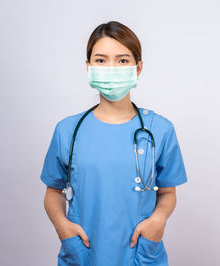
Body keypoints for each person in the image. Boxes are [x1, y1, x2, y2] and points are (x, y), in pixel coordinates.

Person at [40, 21, 188, 266]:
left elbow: (168, 192)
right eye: (100, 60)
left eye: (122, 60)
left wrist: (158, 220)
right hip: (84, 253)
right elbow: (53, 191)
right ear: (88, 67)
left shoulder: (159, 130)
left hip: (139, 253)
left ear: (138, 68)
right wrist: (62, 225)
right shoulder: (67, 131)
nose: (111, 68)